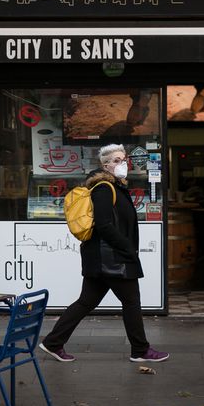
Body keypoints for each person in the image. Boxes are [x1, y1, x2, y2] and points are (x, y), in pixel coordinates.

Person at [40, 144, 169, 363]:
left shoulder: (115, 187)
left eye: (124, 159)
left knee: (86, 301)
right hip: (111, 258)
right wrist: (127, 248)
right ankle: (140, 350)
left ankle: (53, 342)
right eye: (117, 160)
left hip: (103, 257)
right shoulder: (103, 188)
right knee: (131, 300)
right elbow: (104, 225)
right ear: (106, 165)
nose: (123, 164)